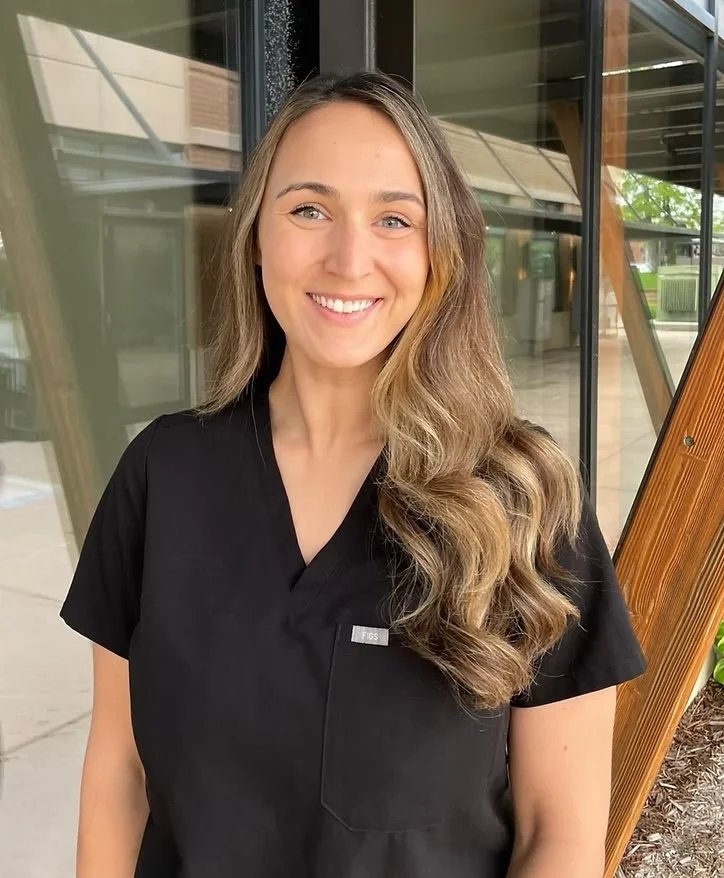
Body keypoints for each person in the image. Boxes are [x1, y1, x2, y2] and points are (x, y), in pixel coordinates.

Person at [60, 70, 646, 878]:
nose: (349, 257)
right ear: (257, 235)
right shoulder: (162, 475)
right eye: (309, 209)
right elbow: (119, 778)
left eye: (395, 219)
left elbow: (561, 837)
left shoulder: (522, 497)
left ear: (440, 253)